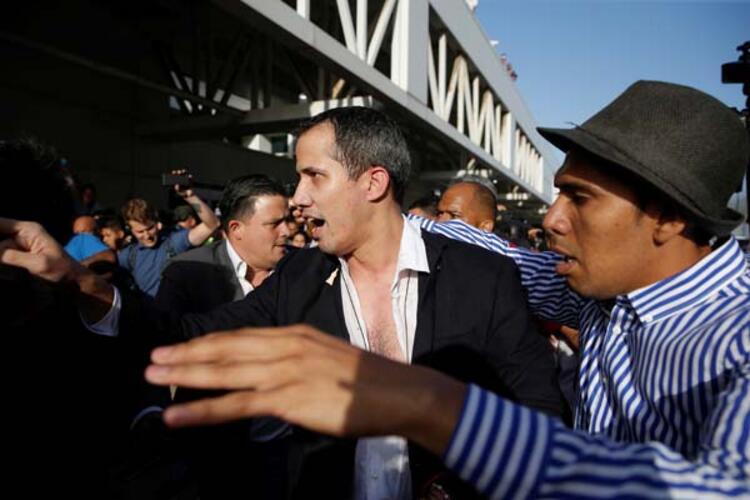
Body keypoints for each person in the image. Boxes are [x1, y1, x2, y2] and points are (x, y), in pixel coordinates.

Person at [143, 81, 750, 498]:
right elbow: (500, 253)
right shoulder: (596, 295)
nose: (551, 219)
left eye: (580, 199)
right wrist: (103, 297)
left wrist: (434, 411)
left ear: (668, 218)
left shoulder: (738, 344)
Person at [1, 107, 562, 499]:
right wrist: (83, 282)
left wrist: (464, 484)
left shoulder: (482, 278)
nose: (297, 198)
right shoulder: (299, 279)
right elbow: (189, 333)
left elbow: (539, 410)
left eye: (314, 176)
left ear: (372, 183)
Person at [119, 178, 220, 296]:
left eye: (150, 228)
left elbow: (212, 224)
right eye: (140, 232)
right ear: (130, 230)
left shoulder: (174, 242)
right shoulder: (127, 256)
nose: (147, 236)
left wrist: (190, 197)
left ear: (158, 224)